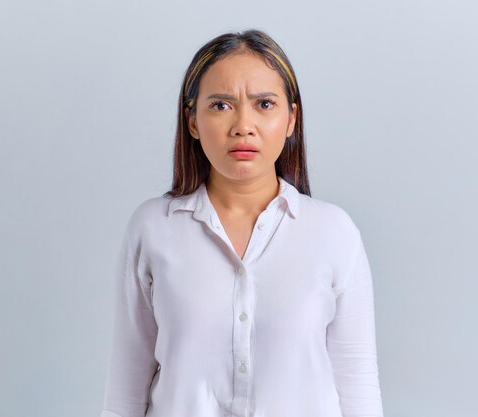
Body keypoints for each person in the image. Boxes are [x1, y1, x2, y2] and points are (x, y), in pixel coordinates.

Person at [100, 29, 384, 417]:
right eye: (220, 105)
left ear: (291, 118)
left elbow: (358, 387)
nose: (243, 125)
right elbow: (126, 390)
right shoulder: (153, 229)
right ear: (193, 121)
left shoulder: (333, 233)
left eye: (264, 104)